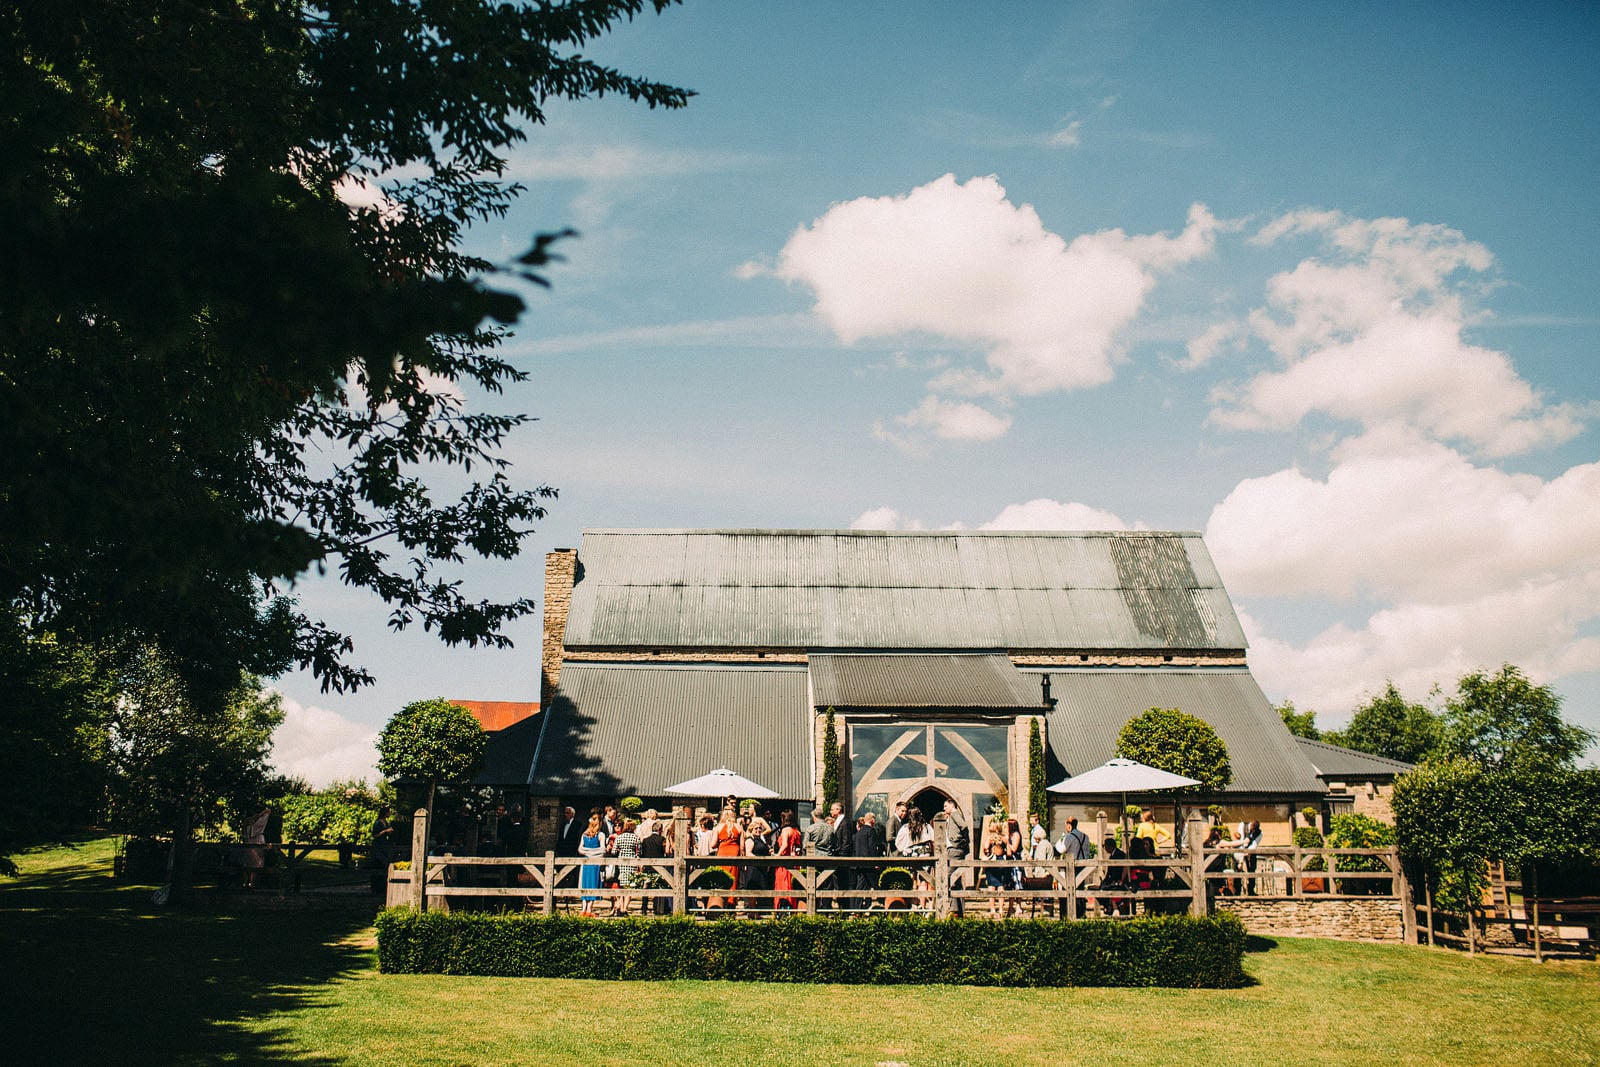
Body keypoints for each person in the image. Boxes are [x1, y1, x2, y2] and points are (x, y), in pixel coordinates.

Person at [852, 811, 884, 908]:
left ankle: (856, 908)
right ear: (872, 820)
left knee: (860, 886)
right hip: (869, 864)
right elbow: (872, 847)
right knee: (875, 884)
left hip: (860, 863)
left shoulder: (858, 833)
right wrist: (875, 862)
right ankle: (884, 903)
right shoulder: (871, 831)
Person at [773, 810, 802, 910]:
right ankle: (792, 907)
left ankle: (784, 908)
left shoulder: (785, 831)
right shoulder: (796, 831)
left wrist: (777, 855)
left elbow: (785, 845)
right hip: (794, 861)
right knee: (791, 885)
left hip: (785, 862)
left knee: (783, 885)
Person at [578, 814, 605, 915]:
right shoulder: (599, 835)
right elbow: (602, 849)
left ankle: (586, 908)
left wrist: (587, 852)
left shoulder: (587, 835)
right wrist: (594, 852)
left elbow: (582, 849)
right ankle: (587, 908)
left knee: (588, 883)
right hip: (593, 862)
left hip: (588, 860)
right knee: (590, 883)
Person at [612, 818, 639, 916]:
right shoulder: (636, 838)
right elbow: (639, 852)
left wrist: (620, 851)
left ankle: (621, 906)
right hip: (631, 863)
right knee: (629, 887)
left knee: (621, 886)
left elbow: (613, 851)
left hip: (621, 863)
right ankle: (625, 909)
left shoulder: (619, 837)